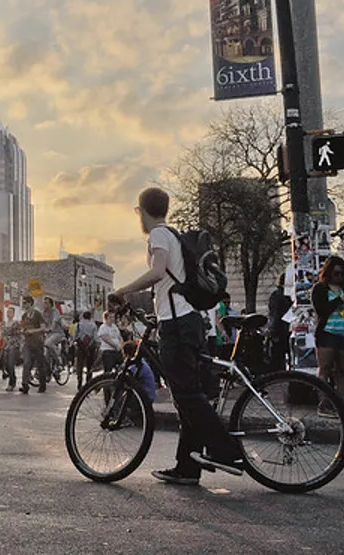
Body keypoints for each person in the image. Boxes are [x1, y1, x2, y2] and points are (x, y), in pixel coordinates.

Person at [113, 187, 244, 486]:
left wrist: (123, 290)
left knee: (186, 394)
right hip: (188, 321)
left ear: (141, 211)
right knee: (186, 395)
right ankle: (187, 466)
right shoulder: (172, 235)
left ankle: (227, 451)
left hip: (179, 324)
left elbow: (158, 272)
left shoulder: (158, 234)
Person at [312, 256, 344, 415]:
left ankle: (342, 406)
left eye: (341, 274)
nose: (338, 277)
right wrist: (339, 300)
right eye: (335, 273)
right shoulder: (321, 289)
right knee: (325, 369)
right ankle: (323, 404)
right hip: (327, 332)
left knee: (343, 371)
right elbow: (321, 310)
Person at [18, 295, 49, 395]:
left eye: (25, 303)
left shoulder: (37, 314)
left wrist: (33, 331)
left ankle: (42, 384)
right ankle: (25, 385)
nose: (24, 305)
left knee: (40, 364)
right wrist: (23, 331)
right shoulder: (24, 316)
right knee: (26, 363)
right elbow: (22, 327)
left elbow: (43, 328)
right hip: (27, 342)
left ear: (30, 303)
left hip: (37, 342)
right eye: (23, 303)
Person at [267, 273, 292, 373]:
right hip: (284, 329)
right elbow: (276, 314)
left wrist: (273, 330)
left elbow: (274, 314)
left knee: (278, 357)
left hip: (280, 330)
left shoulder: (277, 295)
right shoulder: (286, 296)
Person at [74, 310, 98, 389]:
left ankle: (79, 382)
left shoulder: (78, 325)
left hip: (81, 347)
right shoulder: (93, 325)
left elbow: (75, 336)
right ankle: (88, 382)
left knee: (80, 365)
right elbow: (95, 338)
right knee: (89, 366)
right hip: (90, 347)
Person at [1, 306, 22, 391]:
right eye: (8, 312)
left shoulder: (16, 323)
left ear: (13, 313)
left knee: (10, 363)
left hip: (14, 345)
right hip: (6, 345)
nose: (8, 313)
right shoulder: (4, 323)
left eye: (10, 312)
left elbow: (20, 335)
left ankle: (11, 383)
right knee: (5, 364)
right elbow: (1, 334)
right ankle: (13, 377)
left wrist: (20, 345)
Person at [96, 310, 123, 375]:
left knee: (120, 369)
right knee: (108, 370)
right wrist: (115, 345)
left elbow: (119, 337)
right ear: (106, 318)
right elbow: (106, 338)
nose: (112, 319)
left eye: (113, 317)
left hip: (117, 351)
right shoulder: (103, 327)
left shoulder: (114, 326)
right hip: (108, 351)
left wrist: (121, 345)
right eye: (110, 317)